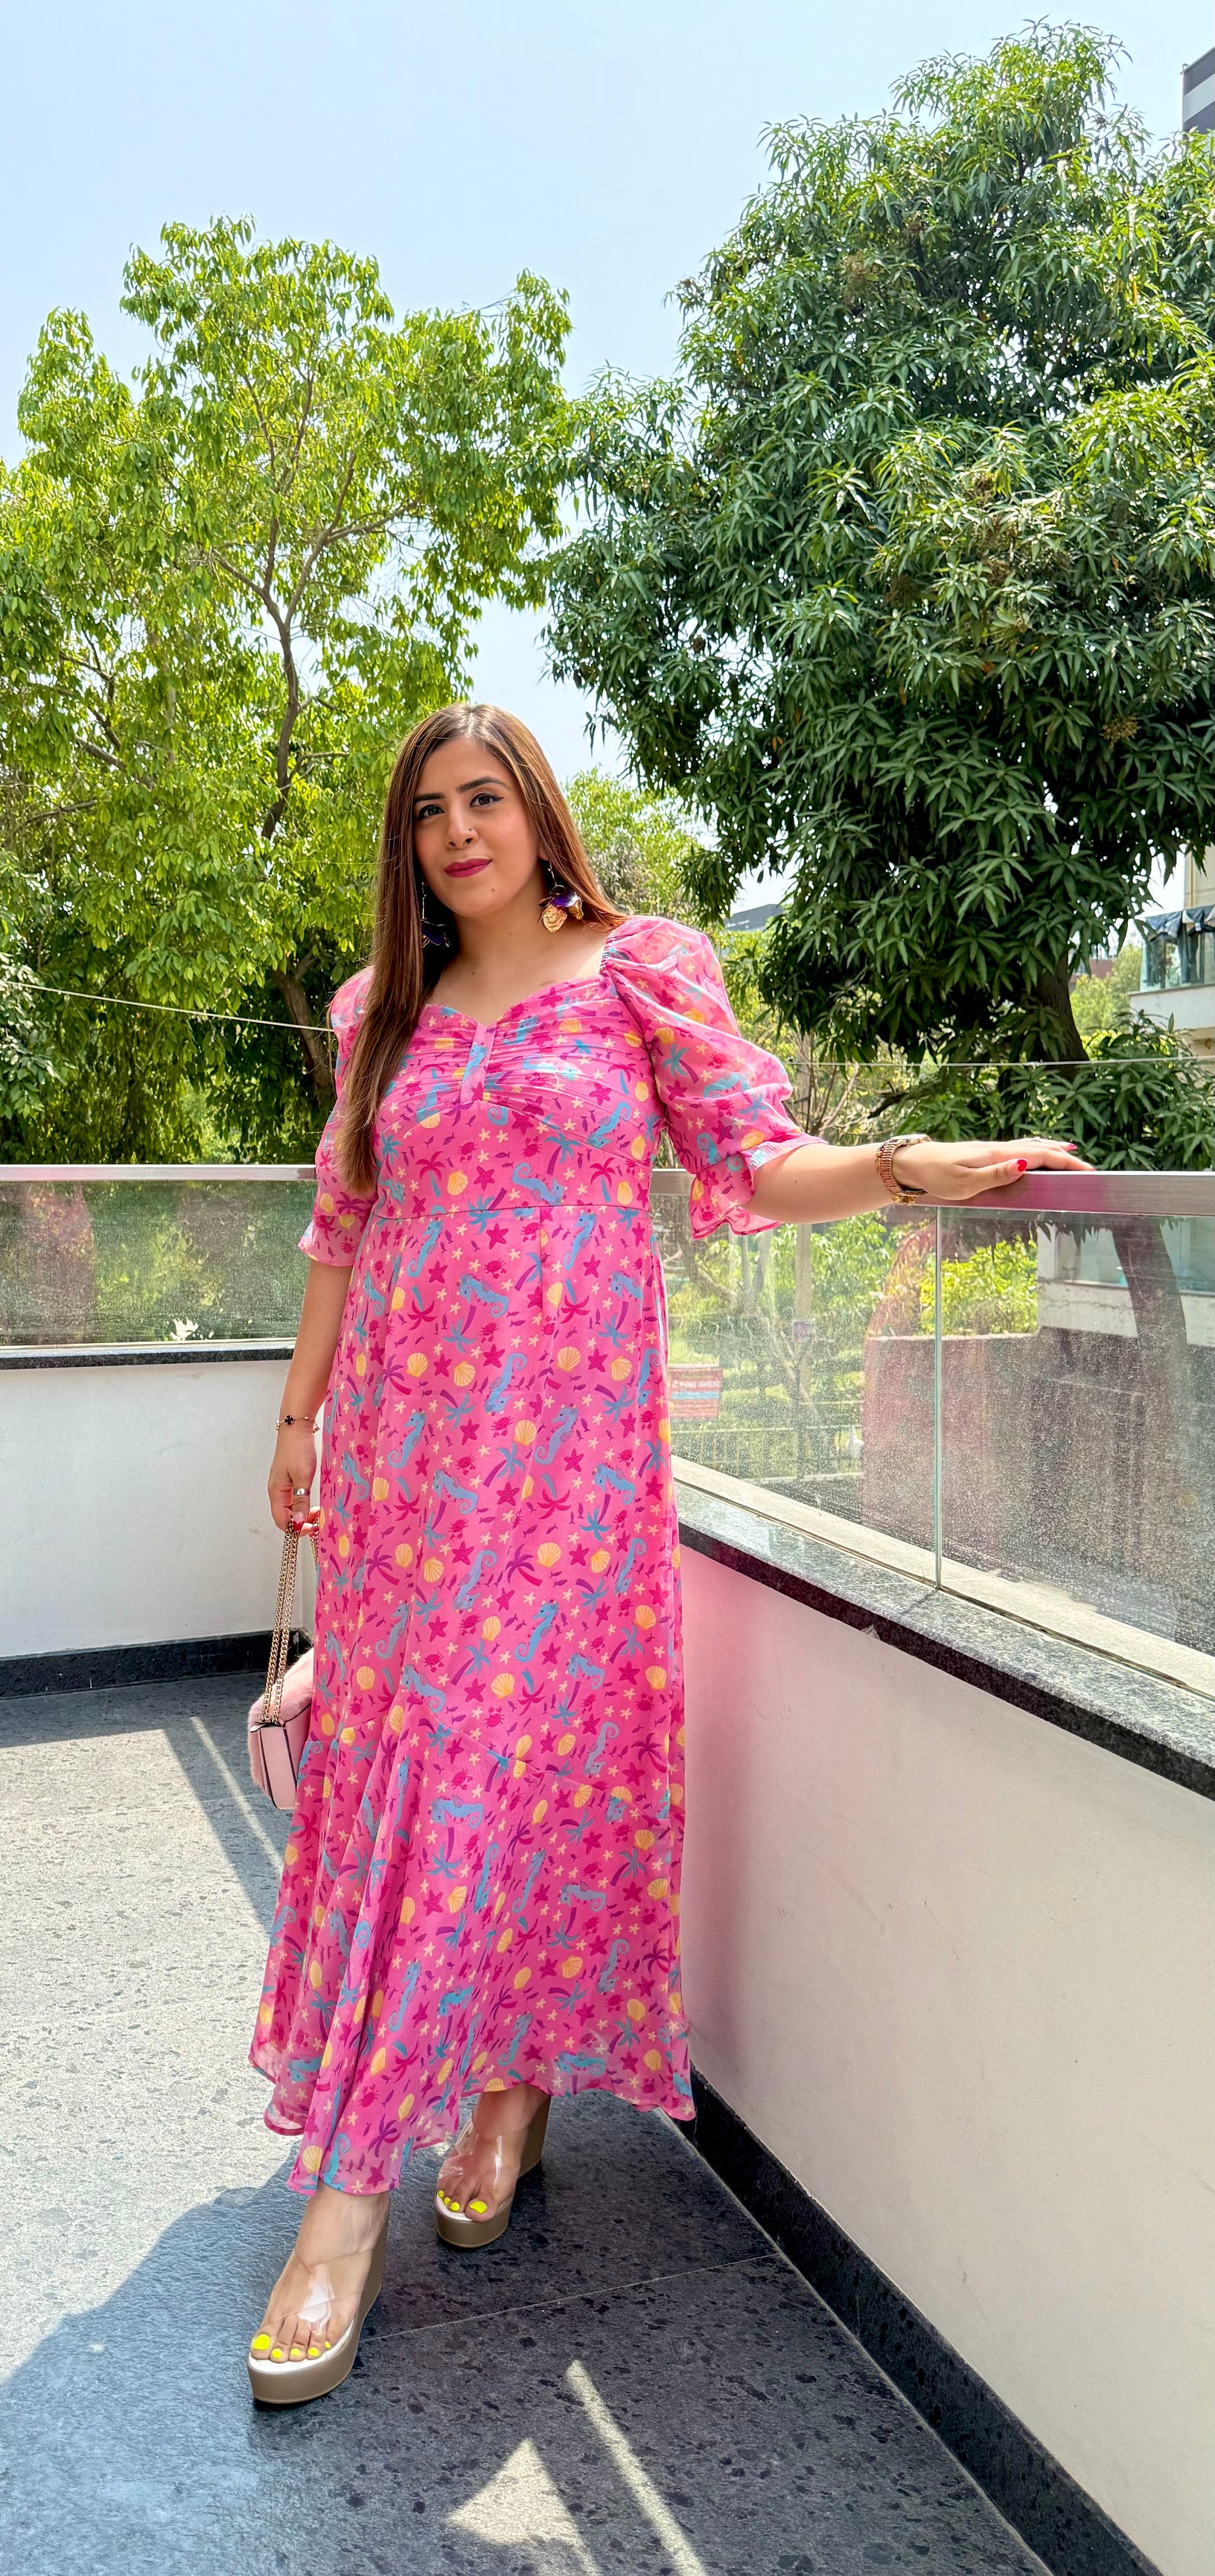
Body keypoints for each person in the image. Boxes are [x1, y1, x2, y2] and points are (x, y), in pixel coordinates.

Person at [247, 703, 1088, 2403]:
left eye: (484, 799)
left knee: (506, 1778)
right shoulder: (377, 1015)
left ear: (538, 814)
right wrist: (297, 1418)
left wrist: (905, 1166)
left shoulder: (640, 973)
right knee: (420, 1781)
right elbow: (345, 1223)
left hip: (564, 1482)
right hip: (407, 1479)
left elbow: (753, 1163)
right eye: (427, 813)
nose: (457, 833)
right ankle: (470, 2107)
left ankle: (361, 2190)